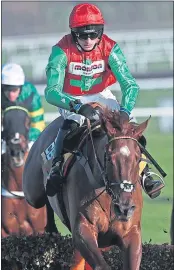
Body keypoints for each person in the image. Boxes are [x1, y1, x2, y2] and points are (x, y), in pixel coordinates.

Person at [45, 2, 164, 198]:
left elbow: (130, 85)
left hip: (101, 94)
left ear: (100, 31)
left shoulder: (111, 48)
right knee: (73, 123)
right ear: (74, 33)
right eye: (83, 34)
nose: (89, 40)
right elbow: (51, 91)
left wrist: (125, 112)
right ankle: (56, 168)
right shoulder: (60, 51)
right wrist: (78, 107)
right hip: (71, 97)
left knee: (127, 127)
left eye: (94, 34)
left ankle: (145, 173)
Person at [1, 63, 46, 149]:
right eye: (7, 90)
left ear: (21, 87)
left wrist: (28, 138)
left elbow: (38, 123)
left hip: (27, 137)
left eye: (14, 90)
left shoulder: (30, 93)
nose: (11, 95)